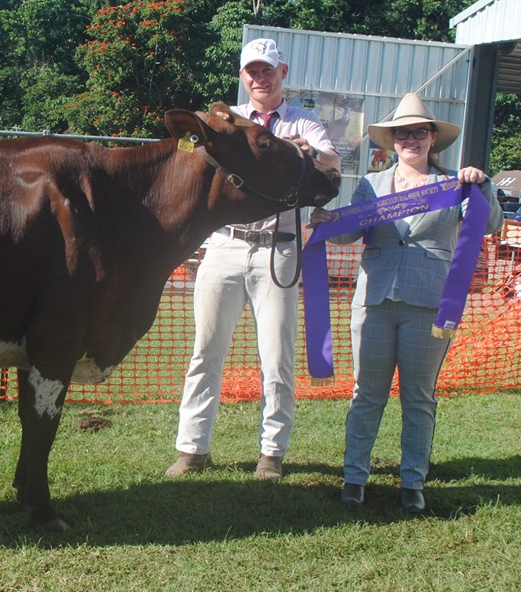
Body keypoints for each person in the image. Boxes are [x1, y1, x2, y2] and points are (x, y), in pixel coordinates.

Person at [310, 93, 503, 512]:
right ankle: (354, 477)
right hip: (374, 302)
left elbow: (490, 224)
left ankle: (413, 482)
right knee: (366, 395)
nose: (410, 140)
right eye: (402, 134)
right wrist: (328, 221)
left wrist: (482, 183)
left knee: (418, 398)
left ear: (433, 139)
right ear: (392, 142)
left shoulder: (457, 184)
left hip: (429, 306)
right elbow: (348, 234)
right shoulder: (372, 185)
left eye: (419, 132)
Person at [165, 38, 342, 481]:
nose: (259, 78)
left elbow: (333, 162)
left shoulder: (306, 121)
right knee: (205, 351)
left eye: (267, 70)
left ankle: (271, 452)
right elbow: (186, 155)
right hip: (224, 244)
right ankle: (192, 448)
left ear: (283, 72)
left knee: (276, 357)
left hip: (280, 247)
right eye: (252, 71)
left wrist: (309, 151)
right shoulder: (225, 122)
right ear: (242, 76)